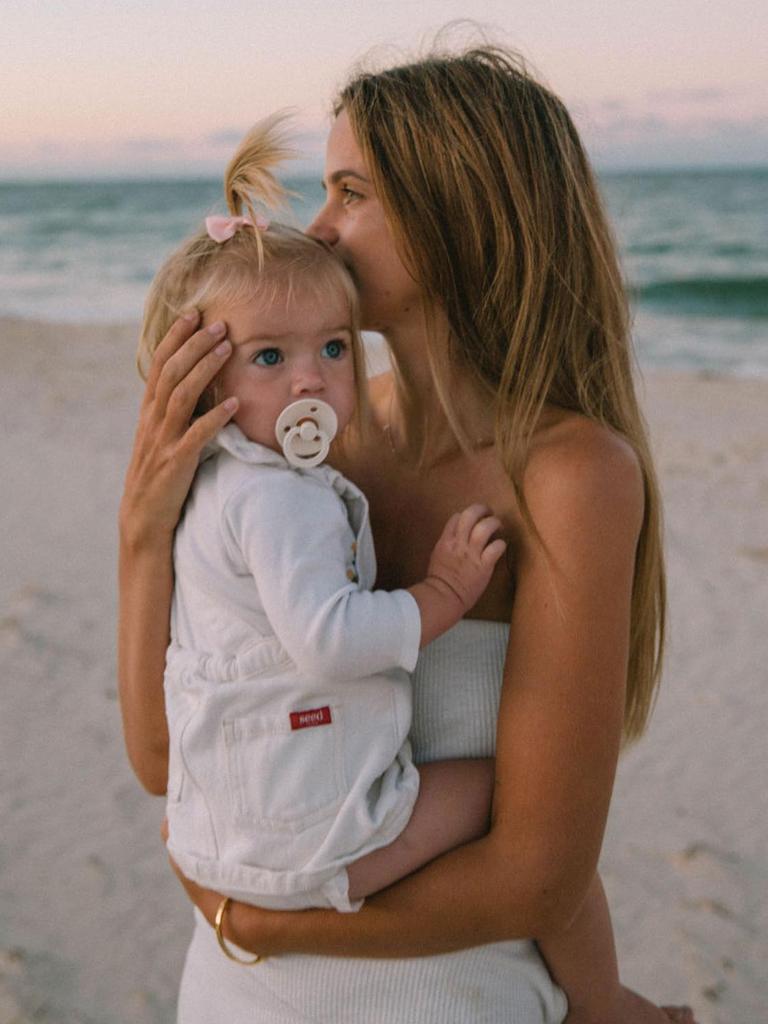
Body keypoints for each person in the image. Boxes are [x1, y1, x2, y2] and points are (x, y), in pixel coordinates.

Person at [119, 40, 697, 1024]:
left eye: (352, 191)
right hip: (228, 998)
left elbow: (540, 877)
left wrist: (268, 924)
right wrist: (141, 533)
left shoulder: (571, 475)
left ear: (458, 215)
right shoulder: (298, 453)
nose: (319, 227)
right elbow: (169, 760)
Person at [140, 117, 507, 915]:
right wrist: (443, 590)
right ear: (206, 378)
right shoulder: (282, 498)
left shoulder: (220, 482)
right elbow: (329, 640)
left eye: (334, 349)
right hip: (307, 834)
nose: (312, 380)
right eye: (271, 357)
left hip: (231, 826)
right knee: (488, 790)